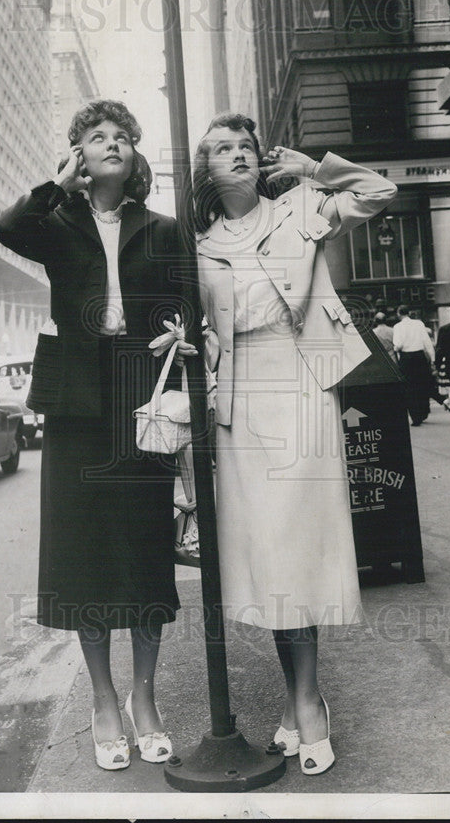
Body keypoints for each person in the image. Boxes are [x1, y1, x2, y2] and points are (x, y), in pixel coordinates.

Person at [192, 112, 397, 776]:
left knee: (298, 547)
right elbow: (197, 323)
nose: (238, 155)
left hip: (302, 378)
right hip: (241, 393)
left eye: (245, 145)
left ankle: (308, 703)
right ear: (208, 170)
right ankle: (297, 702)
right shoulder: (198, 244)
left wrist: (315, 168)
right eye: (222, 149)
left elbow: (378, 191)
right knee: (268, 553)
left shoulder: (300, 207)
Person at [0, 100, 194, 772]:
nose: (111, 144)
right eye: (95, 137)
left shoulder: (161, 230)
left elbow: (181, 309)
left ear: (136, 156)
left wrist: (177, 335)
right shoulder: (56, 225)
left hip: (142, 400)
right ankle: (102, 700)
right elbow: (5, 226)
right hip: (76, 400)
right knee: (82, 555)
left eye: (121, 138)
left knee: (142, 548)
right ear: (78, 154)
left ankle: (144, 697)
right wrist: (59, 184)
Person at [392, 305, 435, 425]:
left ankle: (416, 417)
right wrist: (432, 358)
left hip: (406, 359)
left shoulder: (397, 327)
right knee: (422, 384)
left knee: (409, 388)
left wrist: (395, 348)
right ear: (409, 313)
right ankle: (423, 411)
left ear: (399, 314)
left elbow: (398, 345)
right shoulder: (419, 324)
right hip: (419, 357)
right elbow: (427, 342)